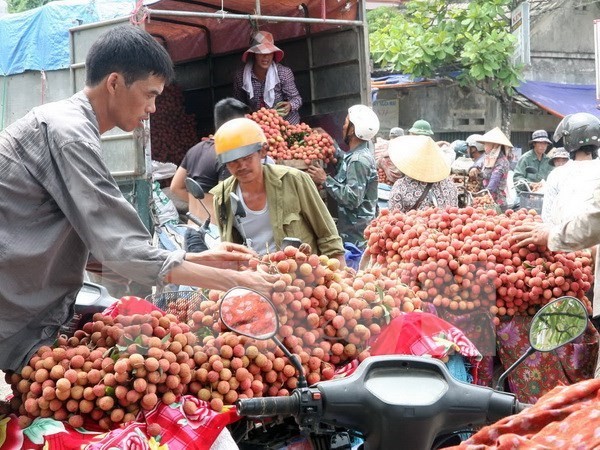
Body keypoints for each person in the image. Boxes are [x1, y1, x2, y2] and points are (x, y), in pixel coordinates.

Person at [0, 25, 275, 373]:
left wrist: (197, 259)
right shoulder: (70, 135)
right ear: (114, 83)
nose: (153, 108)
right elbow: (122, 250)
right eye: (149, 94)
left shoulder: (68, 126)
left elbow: (102, 246)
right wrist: (238, 283)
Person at [512, 112, 600, 374]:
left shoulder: (558, 175)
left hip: (566, 252)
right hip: (587, 257)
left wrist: (550, 238)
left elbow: (547, 220)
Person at [211, 117, 345, 263]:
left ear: (263, 151)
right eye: (233, 162)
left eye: (247, 158)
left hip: (301, 277)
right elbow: (229, 250)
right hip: (255, 278)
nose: (242, 166)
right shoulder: (222, 197)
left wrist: (339, 277)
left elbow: (328, 236)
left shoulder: (294, 180)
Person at [306, 105, 380, 249]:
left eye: (346, 122)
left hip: (356, 239)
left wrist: (324, 180)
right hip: (353, 233)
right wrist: (330, 141)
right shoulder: (355, 156)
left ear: (352, 130)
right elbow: (344, 163)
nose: (343, 126)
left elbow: (352, 199)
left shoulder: (358, 161)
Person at [170, 98, 250, 224]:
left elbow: (175, 187)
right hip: (214, 236)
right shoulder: (227, 156)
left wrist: (201, 205)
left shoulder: (194, 150)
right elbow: (226, 201)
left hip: (193, 231)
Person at [232, 31, 302, 124]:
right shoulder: (240, 76)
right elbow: (238, 104)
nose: (266, 57)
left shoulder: (283, 73)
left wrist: (290, 105)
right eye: (261, 53)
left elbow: (297, 99)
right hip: (260, 124)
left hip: (286, 123)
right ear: (254, 54)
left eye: (269, 52)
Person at [387, 135, 458, 212]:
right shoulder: (450, 185)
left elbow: (394, 216)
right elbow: (453, 213)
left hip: (414, 224)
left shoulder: (401, 186)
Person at [468, 127, 512, 208]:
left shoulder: (502, 162)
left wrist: (480, 198)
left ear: (494, 145)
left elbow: (492, 185)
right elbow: (478, 165)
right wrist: (474, 168)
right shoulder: (488, 158)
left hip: (496, 202)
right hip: (486, 200)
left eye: (486, 144)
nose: (484, 146)